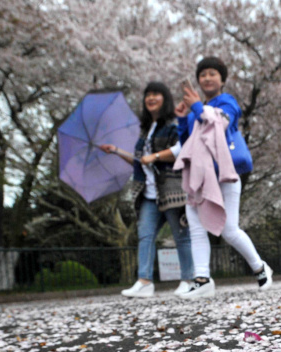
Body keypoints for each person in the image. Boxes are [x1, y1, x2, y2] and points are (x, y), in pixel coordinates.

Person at [173, 56, 272, 299]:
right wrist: (181, 118)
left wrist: (197, 107)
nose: (207, 78)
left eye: (212, 73)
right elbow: (187, 142)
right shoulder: (195, 108)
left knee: (229, 230)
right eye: (203, 74)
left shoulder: (227, 102)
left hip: (224, 175)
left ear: (222, 79)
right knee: (196, 227)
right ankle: (202, 279)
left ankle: (260, 267)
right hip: (199, 175)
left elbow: (221, 124)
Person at [99, 82, 193, 298]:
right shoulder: (144, 130)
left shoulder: (172, 124)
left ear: (165, 98)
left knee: (181, 236)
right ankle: (144, 281)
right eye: (147, 95)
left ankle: (188, 279)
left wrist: (156, 156)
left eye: (156, 94)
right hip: (148, 193)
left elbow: (182, 151)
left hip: (171, 188)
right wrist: (115, 151)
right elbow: (138, 161)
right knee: (145, 235)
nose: (150, 98)